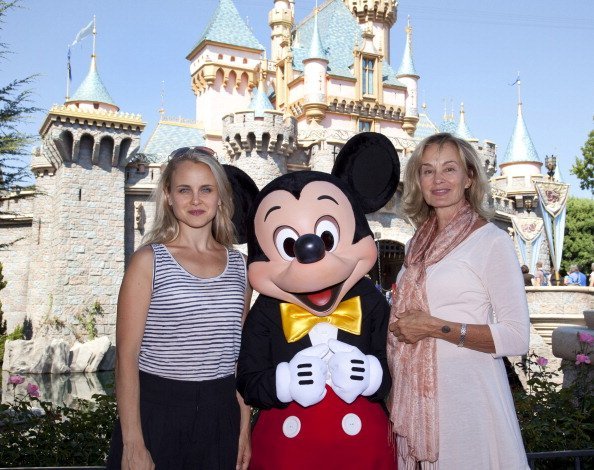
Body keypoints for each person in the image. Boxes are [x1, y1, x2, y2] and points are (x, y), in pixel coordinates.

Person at [387, 133, 530, 469]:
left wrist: (436, 327)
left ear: (468, 178)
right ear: (417, 181)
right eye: (427, 171)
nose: (438, 180)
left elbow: (516, 336)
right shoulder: (415, 247)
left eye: (449, 169)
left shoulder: (491, 241)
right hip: (419, 404)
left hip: (470, 401)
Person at [106, 147, 252, 470]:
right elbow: (127, 357)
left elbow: (239, 358)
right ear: (169, 197)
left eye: (206, 189)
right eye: (185, 190)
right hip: (157, 414)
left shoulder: (242, 268)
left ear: (220, 197)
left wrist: (244, 427)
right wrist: (133, 442)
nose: (196, 200)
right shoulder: (148, 262)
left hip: (220, 417)